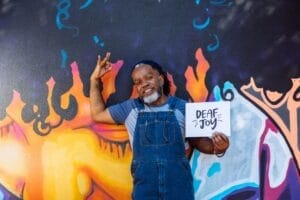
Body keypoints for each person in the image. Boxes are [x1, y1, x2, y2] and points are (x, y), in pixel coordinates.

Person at [89, 52, 230, 200]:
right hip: (145, 190)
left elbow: (199, 142)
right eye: (138, 82)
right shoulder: (130, 109)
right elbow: (98, 114)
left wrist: (219, 147)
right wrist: (94, 80)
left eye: (149, 77)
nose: (144, 84)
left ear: (161, 79)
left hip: (179, 188)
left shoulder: (182, 108)